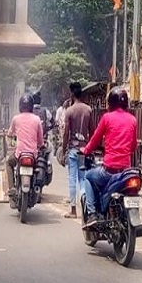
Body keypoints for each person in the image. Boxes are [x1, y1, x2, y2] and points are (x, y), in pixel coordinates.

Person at [81, 87, 138, 227]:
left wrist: (86, 150)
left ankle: (93, 213)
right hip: (125, 172)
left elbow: (95, 139)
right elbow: (133, 146)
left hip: (109, 171)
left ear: (111, 102)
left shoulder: (107, 118)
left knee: (88, 176)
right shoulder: (133, 120)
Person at [61, 82, 93, 218]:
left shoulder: (69, 111)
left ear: (72, 94)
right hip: (84, 149)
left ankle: (73, 210)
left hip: (73, 149)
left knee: (72, 179)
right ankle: (86, 209)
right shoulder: (88, 110)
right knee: (83, 180)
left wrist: (63, 150)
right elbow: (92, 131)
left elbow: (66, 133)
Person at [5, 94, 44, 202]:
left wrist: (11, 143)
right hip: (33, 154)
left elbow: (9, 134)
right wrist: (40, 146)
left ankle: (12, 188)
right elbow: (40, 140)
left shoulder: (16, 119)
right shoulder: (37, 119)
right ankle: (36, 189)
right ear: (31, 106)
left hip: (19, 154)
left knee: (8, 163)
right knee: (38, 168)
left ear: (20, 106)